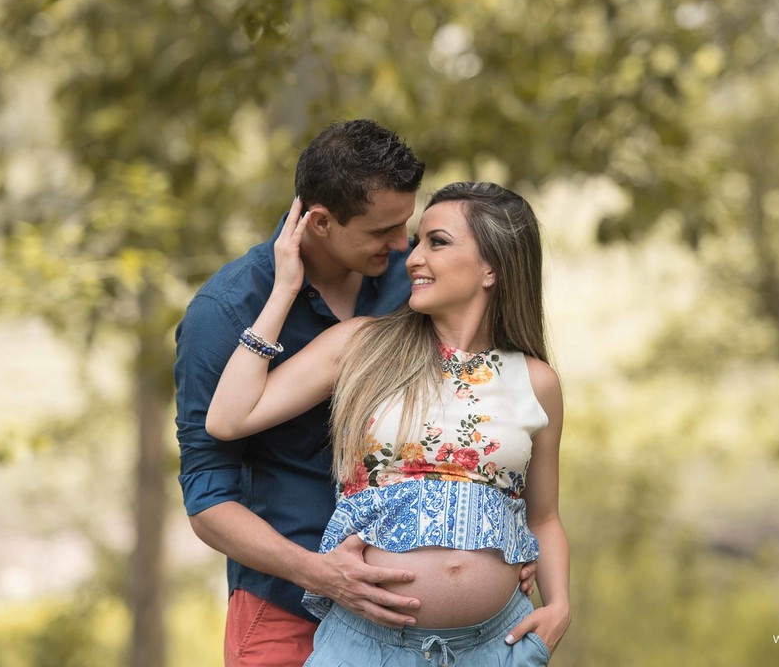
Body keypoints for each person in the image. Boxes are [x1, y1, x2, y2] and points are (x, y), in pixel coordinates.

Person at [207, 182, 571, 666]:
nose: (413, 258)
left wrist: (561, 604)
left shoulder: (536, 380)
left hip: (495, 647)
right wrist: (283, 290)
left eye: (436, 242)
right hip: (366, 646)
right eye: (416, 241)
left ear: (492, 267)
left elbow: (542, 516)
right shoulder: (362, 346)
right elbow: (229, 419)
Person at [174, 120, 430, 667]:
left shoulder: (415, 282)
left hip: (415, 619)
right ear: (319, 222)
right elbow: (207, 497)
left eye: (405, 223)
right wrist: (322, 574)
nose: (402, 242)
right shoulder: (223, 313)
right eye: (382, 230)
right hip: (286, 609)